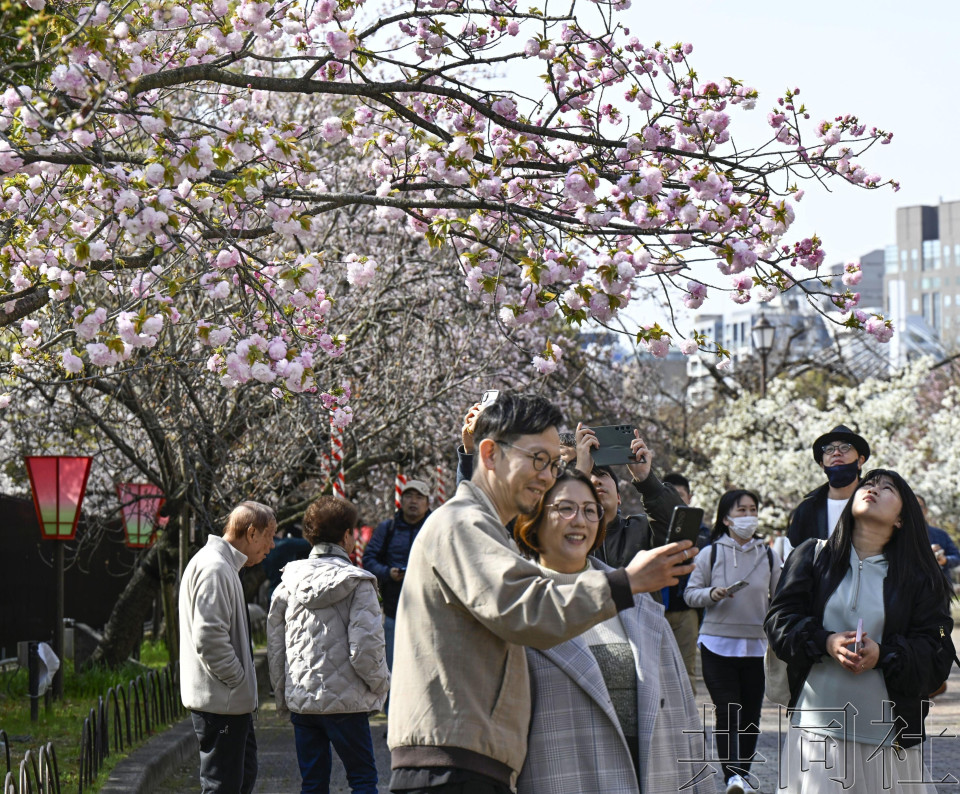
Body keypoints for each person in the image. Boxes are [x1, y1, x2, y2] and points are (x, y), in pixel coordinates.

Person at [387, 392, 697, 794]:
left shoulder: (482, 527)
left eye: (553, 464)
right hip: (451, 769)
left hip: (471, 764)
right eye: (538, 460)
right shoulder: (462, 522)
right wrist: (628, 582)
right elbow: (526, 607)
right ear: (489, 453)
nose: (548, 476)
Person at [513, 468, 711, 794]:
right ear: (533, 516)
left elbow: (683, 718)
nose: (580, 520)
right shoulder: (514, 602)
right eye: (565, 508)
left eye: (591, 510)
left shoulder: (642, 608)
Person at [765, 470, 955, 793]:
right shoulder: (811, 556)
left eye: (887, 488)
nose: (873, 489)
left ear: (900, 519)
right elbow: (779, 621)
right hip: (817, 731)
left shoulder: (922, 579)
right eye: (868, 483)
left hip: (888, 736)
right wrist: (826, 642)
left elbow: (937, 649)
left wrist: (883, 654)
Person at [267, 496, 389, 794]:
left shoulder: (286, 584)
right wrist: (380, 685)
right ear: (347, 535)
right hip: (346, 701)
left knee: (313, 784)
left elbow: (276, 650)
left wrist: (284, 695)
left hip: (303, 700)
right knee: (362, 780)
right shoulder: (359, 584)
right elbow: (365, 649)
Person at [683, 489, 781, 794]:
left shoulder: (768, 554)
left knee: (751, 713)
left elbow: (781, 598)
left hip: (755, 644)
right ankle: (732, 777)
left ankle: (742, 775)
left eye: (753, 509)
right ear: (726, 518)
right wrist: (712, 594)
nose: (748, 515)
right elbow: (690, 594)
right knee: (728, 709)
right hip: (716, 643)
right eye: (741, 510)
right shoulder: (709, 553)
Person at [179, 501, 277, 794]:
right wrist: (238, 680)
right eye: (269, 535)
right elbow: (209, 638)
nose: (272, 545)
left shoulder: (221, 565)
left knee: (238, 778)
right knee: (223, 784)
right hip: (221, 703)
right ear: (251, 533)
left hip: (226, 702)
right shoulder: (216, 568)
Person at [362, 479, 431, 670]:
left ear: (427, 503)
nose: (413, 501)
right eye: (408, 496)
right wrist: (387, 573)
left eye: (419, 497)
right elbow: (369, 560)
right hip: (394, 611)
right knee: (391, 669)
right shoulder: (388, 528)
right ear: (401, 500)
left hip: (428, 612)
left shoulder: (435, 527)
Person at [661, 471, 711, 690]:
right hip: (657, 607)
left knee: (685, 668)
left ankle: (685, 720)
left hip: (687, 609)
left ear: (690, 497)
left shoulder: (703, 532)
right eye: (670, 494)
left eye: (680, 495)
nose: (676, 500)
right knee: (656, 668)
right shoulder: (654, 526)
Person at [787, 425, 869, 550]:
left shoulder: (875, 502)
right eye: (829, 449)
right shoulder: (807, 510)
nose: (836, 453)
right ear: (822, 465)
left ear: (860, 461)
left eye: (845, 447)